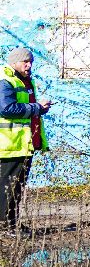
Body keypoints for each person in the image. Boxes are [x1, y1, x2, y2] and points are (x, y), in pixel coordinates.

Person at [0, 46, 51, 230]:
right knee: (8, 189)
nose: (29, 65)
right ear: (14, 62)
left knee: (17, 188)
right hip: (8, 145)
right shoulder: (5, 81)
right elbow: (6, 109)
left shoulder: (24, 80)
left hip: (23, 144)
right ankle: (5, 227)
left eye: (31, 62)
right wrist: (37, 107)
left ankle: (12, 223)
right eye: (25, 62)